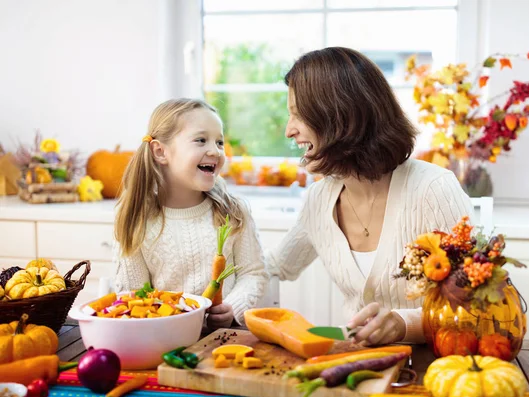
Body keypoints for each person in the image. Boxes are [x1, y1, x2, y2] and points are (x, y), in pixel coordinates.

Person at [266, 47, 474, 345]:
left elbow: (479, 304)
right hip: (359, 367)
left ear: (341, 116)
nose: (289, 131)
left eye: (298, 115)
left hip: (435, 368)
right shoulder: (319, 200)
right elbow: (274, 266)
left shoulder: (432, 189)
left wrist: (405, 324)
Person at [113, 98, 268, 328]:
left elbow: (253, 273)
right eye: (201, 140)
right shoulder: (137, 220)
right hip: (163, 341)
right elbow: (133, 297)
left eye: (219, 142)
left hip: (224, 339)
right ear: (160, 152)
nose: (214, 151)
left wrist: (232, 306)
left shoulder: (233, 212)